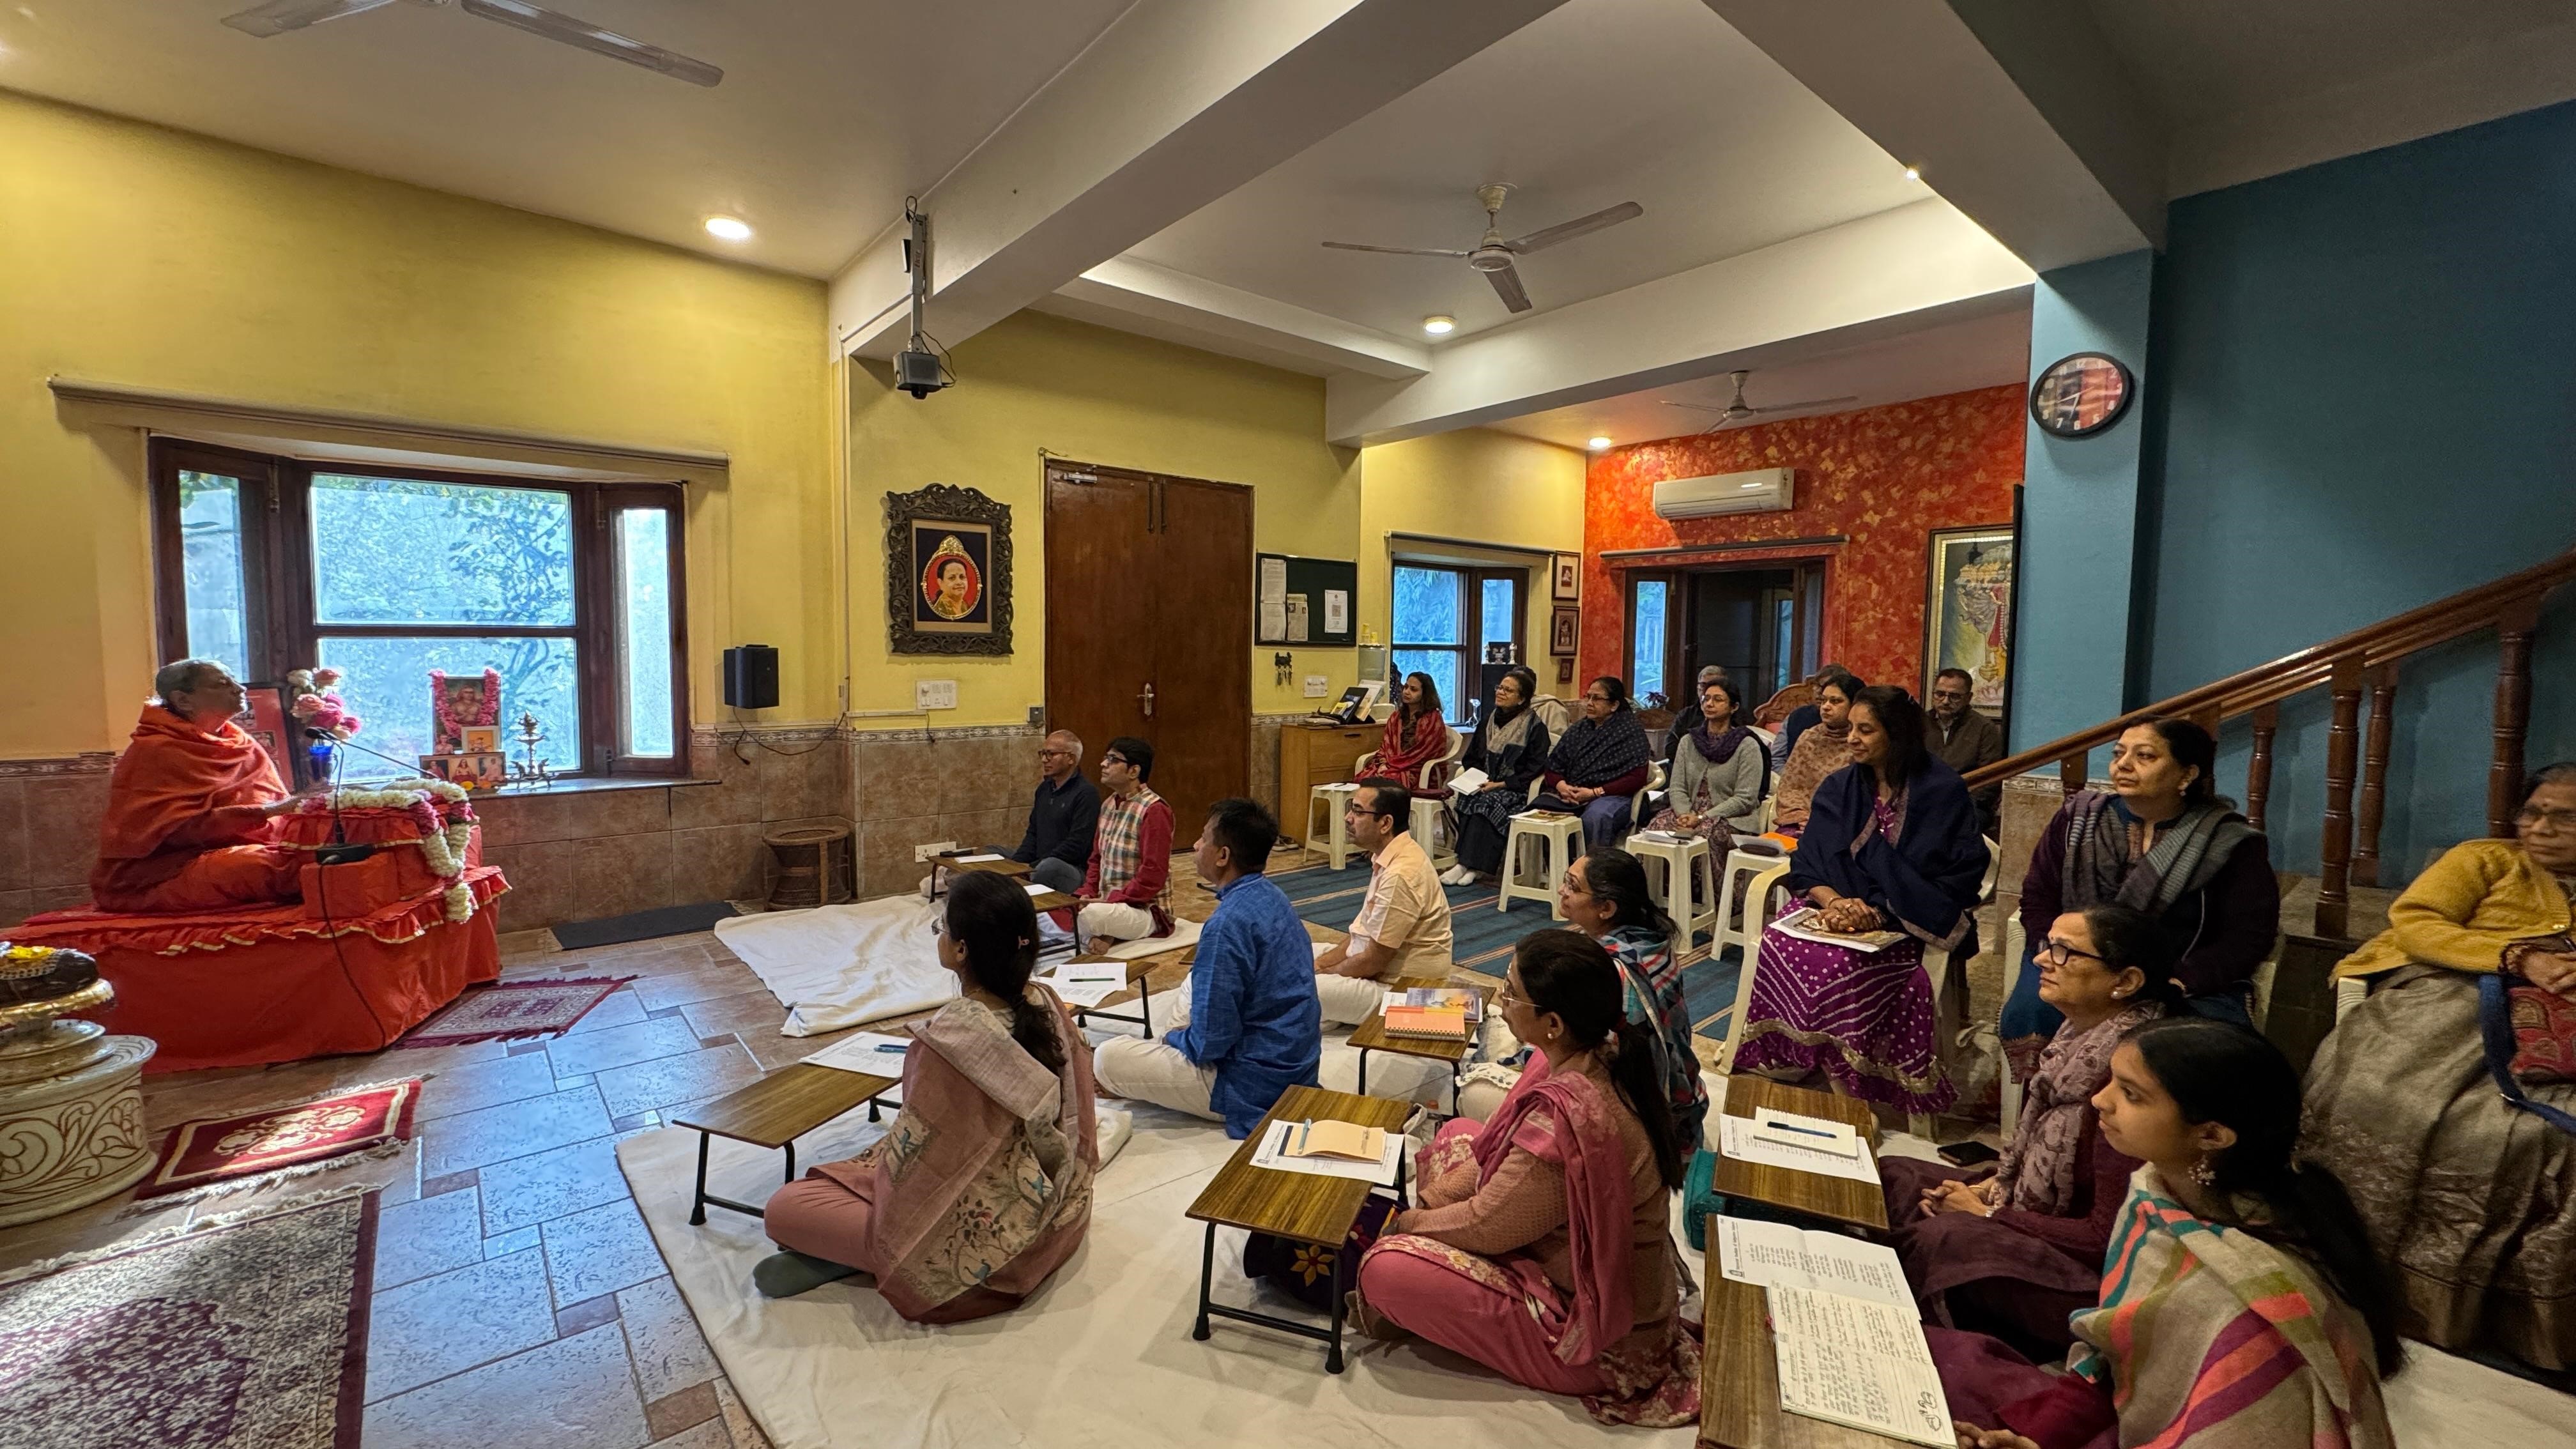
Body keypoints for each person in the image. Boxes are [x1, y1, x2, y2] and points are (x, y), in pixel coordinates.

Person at [1940, 1017, 2401, 1449]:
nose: (2100, 1100)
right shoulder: (2155, 1193)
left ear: (2212, 1136)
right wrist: (2038, 1436)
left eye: (2131, 1094)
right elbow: (2117, 1358)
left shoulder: (2244, 1309)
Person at [1353, 930, 1701, 1427]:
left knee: (1386, 1268)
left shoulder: (1568, 1118)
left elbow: (1486, 1225)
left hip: (1599, 1338)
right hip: (1553, 1246)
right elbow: (1492, 1153)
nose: (1500, 997)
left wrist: (1405, 1224)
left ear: (1553, 1023)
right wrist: (1430, 1202)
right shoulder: (1594, 1052)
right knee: (1458, 1132)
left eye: (1512, 991)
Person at [2302, 762, 2576, 1368]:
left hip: (2559, 1021)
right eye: (2533, 812)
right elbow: (2417, 924)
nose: (2540, 828)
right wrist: (2516, 957)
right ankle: (2359, 1269)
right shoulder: (2485, 860)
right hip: (2448, 993)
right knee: (2389, 1095)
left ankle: (2512, 1319)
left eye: (2564, 818)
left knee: (2540, 1139)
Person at [753, 871, 1096, 1319]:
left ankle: (861, 1258)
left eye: (943, 928)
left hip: (993, 1254)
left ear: (961, 950)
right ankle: (849, 1254)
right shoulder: (1047, 1001)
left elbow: (922, 1164)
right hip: (1062, 1216)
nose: (940, 935)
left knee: (787, 1208)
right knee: (865, 1172)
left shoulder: (951, 1041)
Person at [1878, 904, 2176, 1360]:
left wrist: (1990, 1216)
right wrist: (1991, 1186)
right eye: (2047, 946)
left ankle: (1915, 1335)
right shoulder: (2078, 1039)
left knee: (1947, 1239)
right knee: (1897, 1174)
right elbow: (2034, 1160)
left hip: (2094, 1275)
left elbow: (2107, 1236)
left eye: (2064, 952)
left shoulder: (2130, 1078)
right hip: (2039, 1212)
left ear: (2126, 981)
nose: (2041, 960)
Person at [1731, 686, 1987, 1118]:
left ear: (1897, 733)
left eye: (1866, 730)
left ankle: (1847, 1085)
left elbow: (1958, 873)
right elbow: (1809, 860)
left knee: (1842, 965)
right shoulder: (1841, 787)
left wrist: (1881, 909)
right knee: (1778, 942)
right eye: (1851, 727)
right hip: (1832, 907)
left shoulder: (1940, 790)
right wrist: (1835, 903)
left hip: (1903, 919)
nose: (1852, 738)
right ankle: (1797, 1053)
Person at [2002, 717, 2278, 1080]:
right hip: (2075, 962)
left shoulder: (2228, 842)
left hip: (2178, 977)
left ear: (2187, 774)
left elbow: (2248, 935)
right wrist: (2058, 954)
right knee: (2034, 1010)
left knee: (2200, 1052)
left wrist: (2181, 980)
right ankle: (2051, 1107)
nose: (2124, 765)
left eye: (2144, 756)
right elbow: (2039, 898)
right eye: (2119, 754)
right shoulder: (2076, 821)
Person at [1091, 798, 1319, 1137]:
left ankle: (1142, 1067)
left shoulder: (1226, 924)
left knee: (1108, 1057)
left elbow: (1211, 1043)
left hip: (1251, 1083)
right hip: (1295, 1065)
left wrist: (1174, 1039)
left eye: (1203, 838)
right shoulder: (1272, 895)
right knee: (1190, 985)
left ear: (1223, 856)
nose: (1196, 846)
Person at [1461, 849, 1709, 1142]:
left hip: (1640, 1114)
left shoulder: (1606, 971)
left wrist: (1521, 1056)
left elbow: (1580, 1058)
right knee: (1501, 1025)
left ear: (1606, 908)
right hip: (1681, 1090)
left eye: (1572, 886)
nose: (1561, 891)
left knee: (1475, 1085)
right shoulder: (1651, 940)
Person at [91, 659, 308, 914]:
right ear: (183, 700)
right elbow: (174, 832)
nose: (240, 688)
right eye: (222, 684)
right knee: (263, 867)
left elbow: (278, 809)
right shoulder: (156, 750)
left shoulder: (240, 742)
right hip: (162, 872)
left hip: (246, 848)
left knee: (322, 848)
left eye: (234, 680)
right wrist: (268, 812)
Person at [1312, 779, 1453, 1025]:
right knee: (1303, 954)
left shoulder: (1401, 874)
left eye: (1358, 812)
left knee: (1308, 989)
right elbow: (1361, 933)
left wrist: (1326, 974)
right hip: (1377, 972)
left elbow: (1374, 961)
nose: (1348, 818)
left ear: (1385, 823)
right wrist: (1319, 964)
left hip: (1405, 992)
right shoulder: (1391, 855)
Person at [1446, 664, 1552, 886]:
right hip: (1484, 782)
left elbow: (1534, 769)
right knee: (1468, 797)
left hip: (1515, 790)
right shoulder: (1488, 720)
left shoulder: (1534, 728)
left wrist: (1501, 784)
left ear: (1522, 699)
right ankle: (1464, 863)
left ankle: (1475, 867)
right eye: (1500, 688)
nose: (1500, 693)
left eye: (1508, 690)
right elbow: (1471, 757)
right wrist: (1477, 778)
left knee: (1489, 802)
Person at [1066, 737, 1174, 952]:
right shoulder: (1108, 804)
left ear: (1134, 771)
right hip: (1109, 904)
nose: (1103, 764)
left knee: (1091, 915)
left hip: (1143, 909)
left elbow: (1153, 873)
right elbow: (1096, 859)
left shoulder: (1154, 810)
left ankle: (1100, 934)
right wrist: (1087, 892)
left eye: (1113, 760)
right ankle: (1104, 934)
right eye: (1106, 758)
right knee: (1061, 909)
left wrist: (1113, 901)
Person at [1646, 675, 1765, 852]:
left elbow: (1745, 799)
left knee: (1707, 836)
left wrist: (1702, 817)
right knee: (1656, 827)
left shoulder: (1747, 745)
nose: (1709, 704)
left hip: (1730, 816)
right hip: (1687, 812)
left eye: (1718, 700)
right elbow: (1677, 787)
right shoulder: (1689, 741)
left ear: (1734, 707)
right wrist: (1685, 814)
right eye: (1706, 699)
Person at [1531, 677, 1653, 849]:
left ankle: (1591, 864)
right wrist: (1562, 786)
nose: (1589, 703)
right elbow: (1553, 766)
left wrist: (1594, 792)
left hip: (1613, 796)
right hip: (1572, 792)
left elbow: (1636, 778)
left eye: (1596, 698)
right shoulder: (1579, 729)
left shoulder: (1630, 732)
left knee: (1596, 816)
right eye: (1588, 697)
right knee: (1540, 809)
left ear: (1614, 705)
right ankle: (1555, 865)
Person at [1008, 730, 1098, 894]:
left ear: (1071, 758)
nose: (1044, 760)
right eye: (1043, 754)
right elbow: (1033, 833)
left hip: (1071, 868)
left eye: (1051, 754)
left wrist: (1032, 867)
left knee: (1049, 867)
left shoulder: (1086, 794)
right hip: (1039, 861)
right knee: (994, 852)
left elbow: (1076, 846)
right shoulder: (1044, 789)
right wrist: (1015, 866)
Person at [1770, 669, 1860, 833]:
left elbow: (1860, 797)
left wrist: (1820, 822)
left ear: (1854, 706)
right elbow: (1790, 788)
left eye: (1835, 701)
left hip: (1842, 825)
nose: (1826, 707)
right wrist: (1802, 818)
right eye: (1824, 700)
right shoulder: (1810, 737)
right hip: (1799, 821)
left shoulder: (1860, 743)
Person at [1928, 667, 2005, 836]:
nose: (1945, 701)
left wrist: (1957, 804)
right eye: (1940, 694)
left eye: (1955, 696)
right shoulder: (1918, 724)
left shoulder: (1984, 729)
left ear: (1969, 698)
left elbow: (1991, 781)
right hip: (1925, 800)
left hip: (1968, 805)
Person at [1365, 671, 1453, 798]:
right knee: (1365, 779)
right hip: (1393, 766)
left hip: (1418, 769)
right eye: (1406, 687)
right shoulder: (1396, 717)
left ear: (1425, 694)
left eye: (1413, 689)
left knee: (1386, 783)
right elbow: (1386, 747)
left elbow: (1424, 753)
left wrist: (1394, 766)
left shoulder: (1433, 719)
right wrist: (1384, 764)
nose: (1406, 692)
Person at [1768, 663, 1853, 770]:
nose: (1818, 691)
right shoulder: (1797, 717)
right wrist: (1792, 777)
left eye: (1824, 687)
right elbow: (1776, 759)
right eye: (1816, 685)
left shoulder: (1853, 724)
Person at [1659, 665, 1729, 757]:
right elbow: (1670, 750)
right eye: (1703, 685)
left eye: (1713, 685)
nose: (1707, 690)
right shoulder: (1686, 715)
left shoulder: (1735, 716)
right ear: (1697, 687)